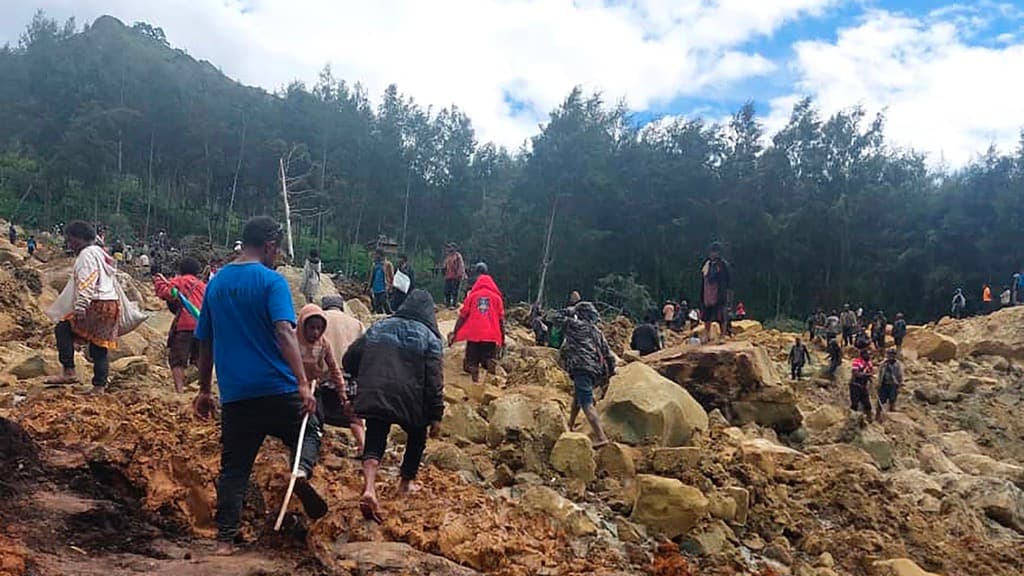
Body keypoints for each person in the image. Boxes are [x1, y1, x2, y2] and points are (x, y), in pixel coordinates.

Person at [192, 216, 326, 554]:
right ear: (269, 245)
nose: (277, 255)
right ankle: (300, 471)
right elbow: (284, 331)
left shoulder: (217, 284)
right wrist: (302, 384)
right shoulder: (272, 282)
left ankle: (224, 541)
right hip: (278, 388)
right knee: (311, 428)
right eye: (277, 249)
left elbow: (206, 342)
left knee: (234, 469)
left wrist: (205, 390)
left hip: (237, 395)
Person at [343, 289, 444, 523]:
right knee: (417, 438)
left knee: (376, 436)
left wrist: (361, 379)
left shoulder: (379, 327)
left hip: (377, 392)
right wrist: (436, 414)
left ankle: (369, 487)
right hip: (411, 400)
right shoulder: (431, 337)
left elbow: (350, 358)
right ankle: (405, 484)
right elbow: (434, 380)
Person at [44, 221, 120, 391]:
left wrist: (81, 306)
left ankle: (69, 371)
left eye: (71, 240)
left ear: (80, 239)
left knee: (63, 329)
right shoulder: (101, 253)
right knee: (99, 346)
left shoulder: (86, 255)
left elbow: (88, 280)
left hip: (96, 303)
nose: (69, 244)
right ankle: (99, 386)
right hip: (111, 304)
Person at [296, 304, 365, 455]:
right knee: (354, 418)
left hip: (323, 380)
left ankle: (312, 447)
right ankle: (362, 447)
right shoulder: (356, 323)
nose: (316, 332)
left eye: (318, 329)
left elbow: (332, 367)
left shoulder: (316, 326)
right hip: (346, 376)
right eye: (313, 328)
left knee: (316, 415)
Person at [560, 302, 614, 448]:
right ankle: (570, 425)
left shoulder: (572, 326)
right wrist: (611, 373)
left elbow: (553, 317)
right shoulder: (596, 331)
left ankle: (601, 437)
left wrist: (569, 311)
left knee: (587, 404)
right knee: (578, 397)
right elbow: (608, 354)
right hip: (594, 369)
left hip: (580, 367)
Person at [154, 256, 207, 394]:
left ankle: (179, 390)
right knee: (199, 358)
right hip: (202, 325)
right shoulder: (203, 286)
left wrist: (159, 281)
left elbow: (166, 293)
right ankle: (201, 389)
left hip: (184, 325)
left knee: (178, 360)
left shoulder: (179, 281)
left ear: (180, 269)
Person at [450, 263, 505, 383]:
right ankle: (490, 382)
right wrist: (502, 338)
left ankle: (474, 378)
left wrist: (455, 332)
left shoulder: (472, 296)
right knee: (488, 359)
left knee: (471, 361)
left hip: (473, 333)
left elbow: (462, 316)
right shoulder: (497, 298)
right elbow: (501, 319)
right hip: (490, 335)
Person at [699, 241, 731, 343]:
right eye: (712, 252)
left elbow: (729, 280)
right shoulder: (707, 264)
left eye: (715, 252)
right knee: (706, 316)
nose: (713, 254)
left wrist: (728, 293)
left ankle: (722, 336)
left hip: (719, 293)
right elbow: (703, 279)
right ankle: (707, 335)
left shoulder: (723, 265)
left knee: (721, 316)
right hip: (707, 294)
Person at [876, 348, 903, 418]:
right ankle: (877, 416)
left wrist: (899, 384)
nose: (891, 356)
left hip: (893, 384)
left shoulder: (897, 364)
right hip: (884, 384)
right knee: (880, 401)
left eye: (893, 355)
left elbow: (900, 375)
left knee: (892, 400)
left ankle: (892, 416)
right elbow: (880, 373)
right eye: (889, 354)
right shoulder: (884, 363)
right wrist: (878, 383)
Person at [850, 348, 874, 421]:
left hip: (863, 386)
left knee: (867, 403)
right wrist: (867, 375)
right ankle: (852, 419)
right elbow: (856, 373)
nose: (869, 355)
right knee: (855, 403)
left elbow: (871, 372)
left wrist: (869, 377)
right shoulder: (857, 362)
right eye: (867, 354)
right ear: (863, 355)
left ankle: (869, 419)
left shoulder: (869, 363)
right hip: (855, 385)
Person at [367, 250, 394, 315]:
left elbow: (391, 276)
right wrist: (369, 286)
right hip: (376, 287)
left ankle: (389, 314)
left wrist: (391, 286)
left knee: (384, 301)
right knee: (377, 303)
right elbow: (372, 277)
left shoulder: (387, 264)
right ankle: (380, 315)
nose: (375, 256)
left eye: (377, 255)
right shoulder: (375, 265)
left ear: (381, 255)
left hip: (384, 287)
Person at [442, 243, 466, 309]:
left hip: (455, 277)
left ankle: (454, 304)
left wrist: (460, 275)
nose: (449, 249)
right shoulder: (448, 257)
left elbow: (461, 266)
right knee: (447, 291)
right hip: (448, 276)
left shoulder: (457, 256)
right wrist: (443, 271)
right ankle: (447, 304)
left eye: (451, 247)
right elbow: (444, 265)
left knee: (454, 291)